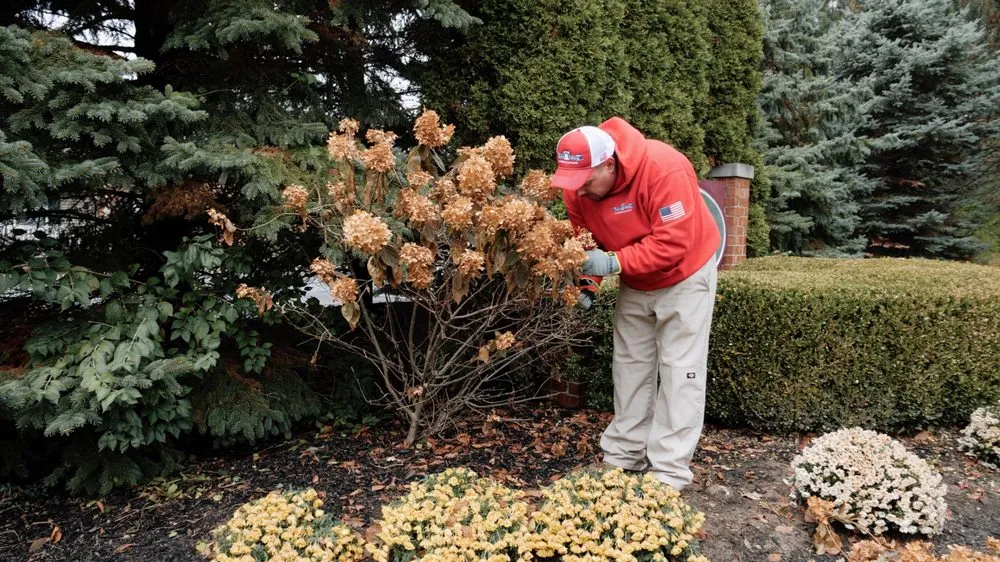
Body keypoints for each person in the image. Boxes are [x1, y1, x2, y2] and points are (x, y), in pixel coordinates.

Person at [552, 117, 720, 490]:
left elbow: (674, 242)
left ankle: (668, 472)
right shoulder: (577, 188)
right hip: (635, 278)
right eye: (571, 183)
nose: (578, 192)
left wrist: (613, 263)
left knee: (681, 371)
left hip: (686, 273)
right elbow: (585, 245)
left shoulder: (663, 167)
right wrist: (586, 284)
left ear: (609, 163)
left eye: (585, 182)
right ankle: (623, 457)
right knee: (629, 367)